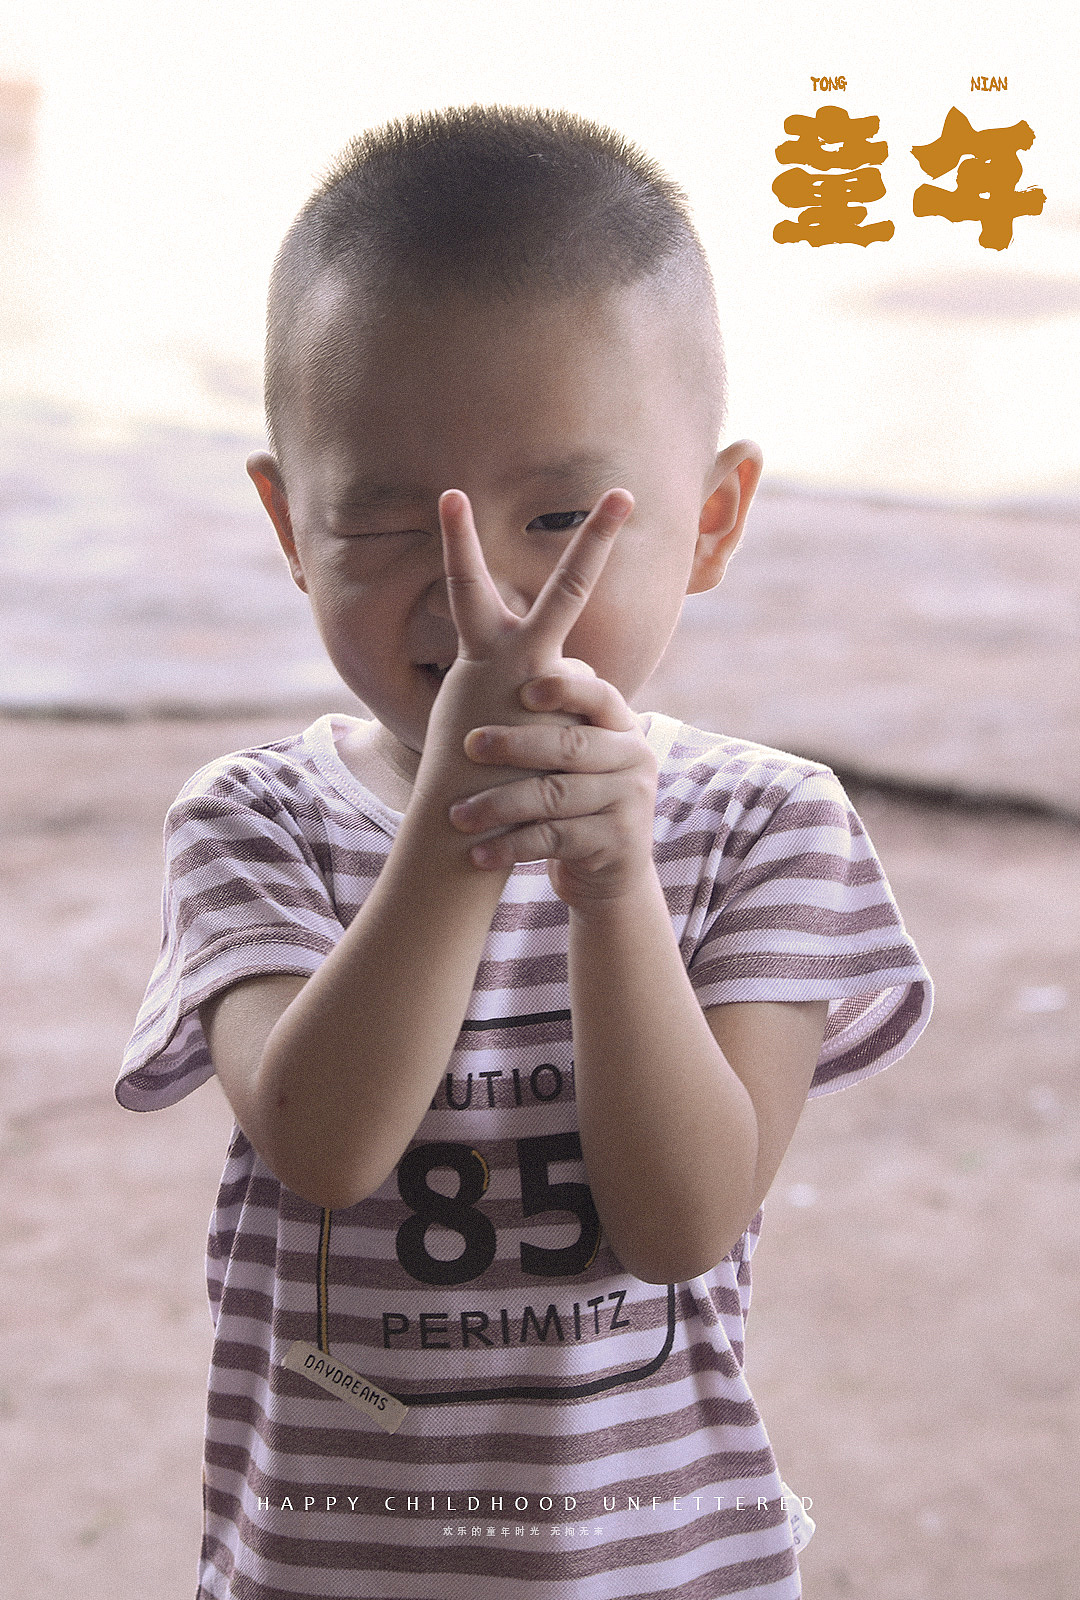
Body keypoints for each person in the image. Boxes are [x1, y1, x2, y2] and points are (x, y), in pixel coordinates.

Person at [117, 105, 932, 1600]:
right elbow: (325, 1142)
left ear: (713, 520)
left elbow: (685, 1223)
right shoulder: (255, 822)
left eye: (562, 515)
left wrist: (617, 884)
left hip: (663, 1573)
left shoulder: (768, 829)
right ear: (289, 525)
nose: (483, 597)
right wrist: (459, 829)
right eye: (389, 526)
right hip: (327, 1569)